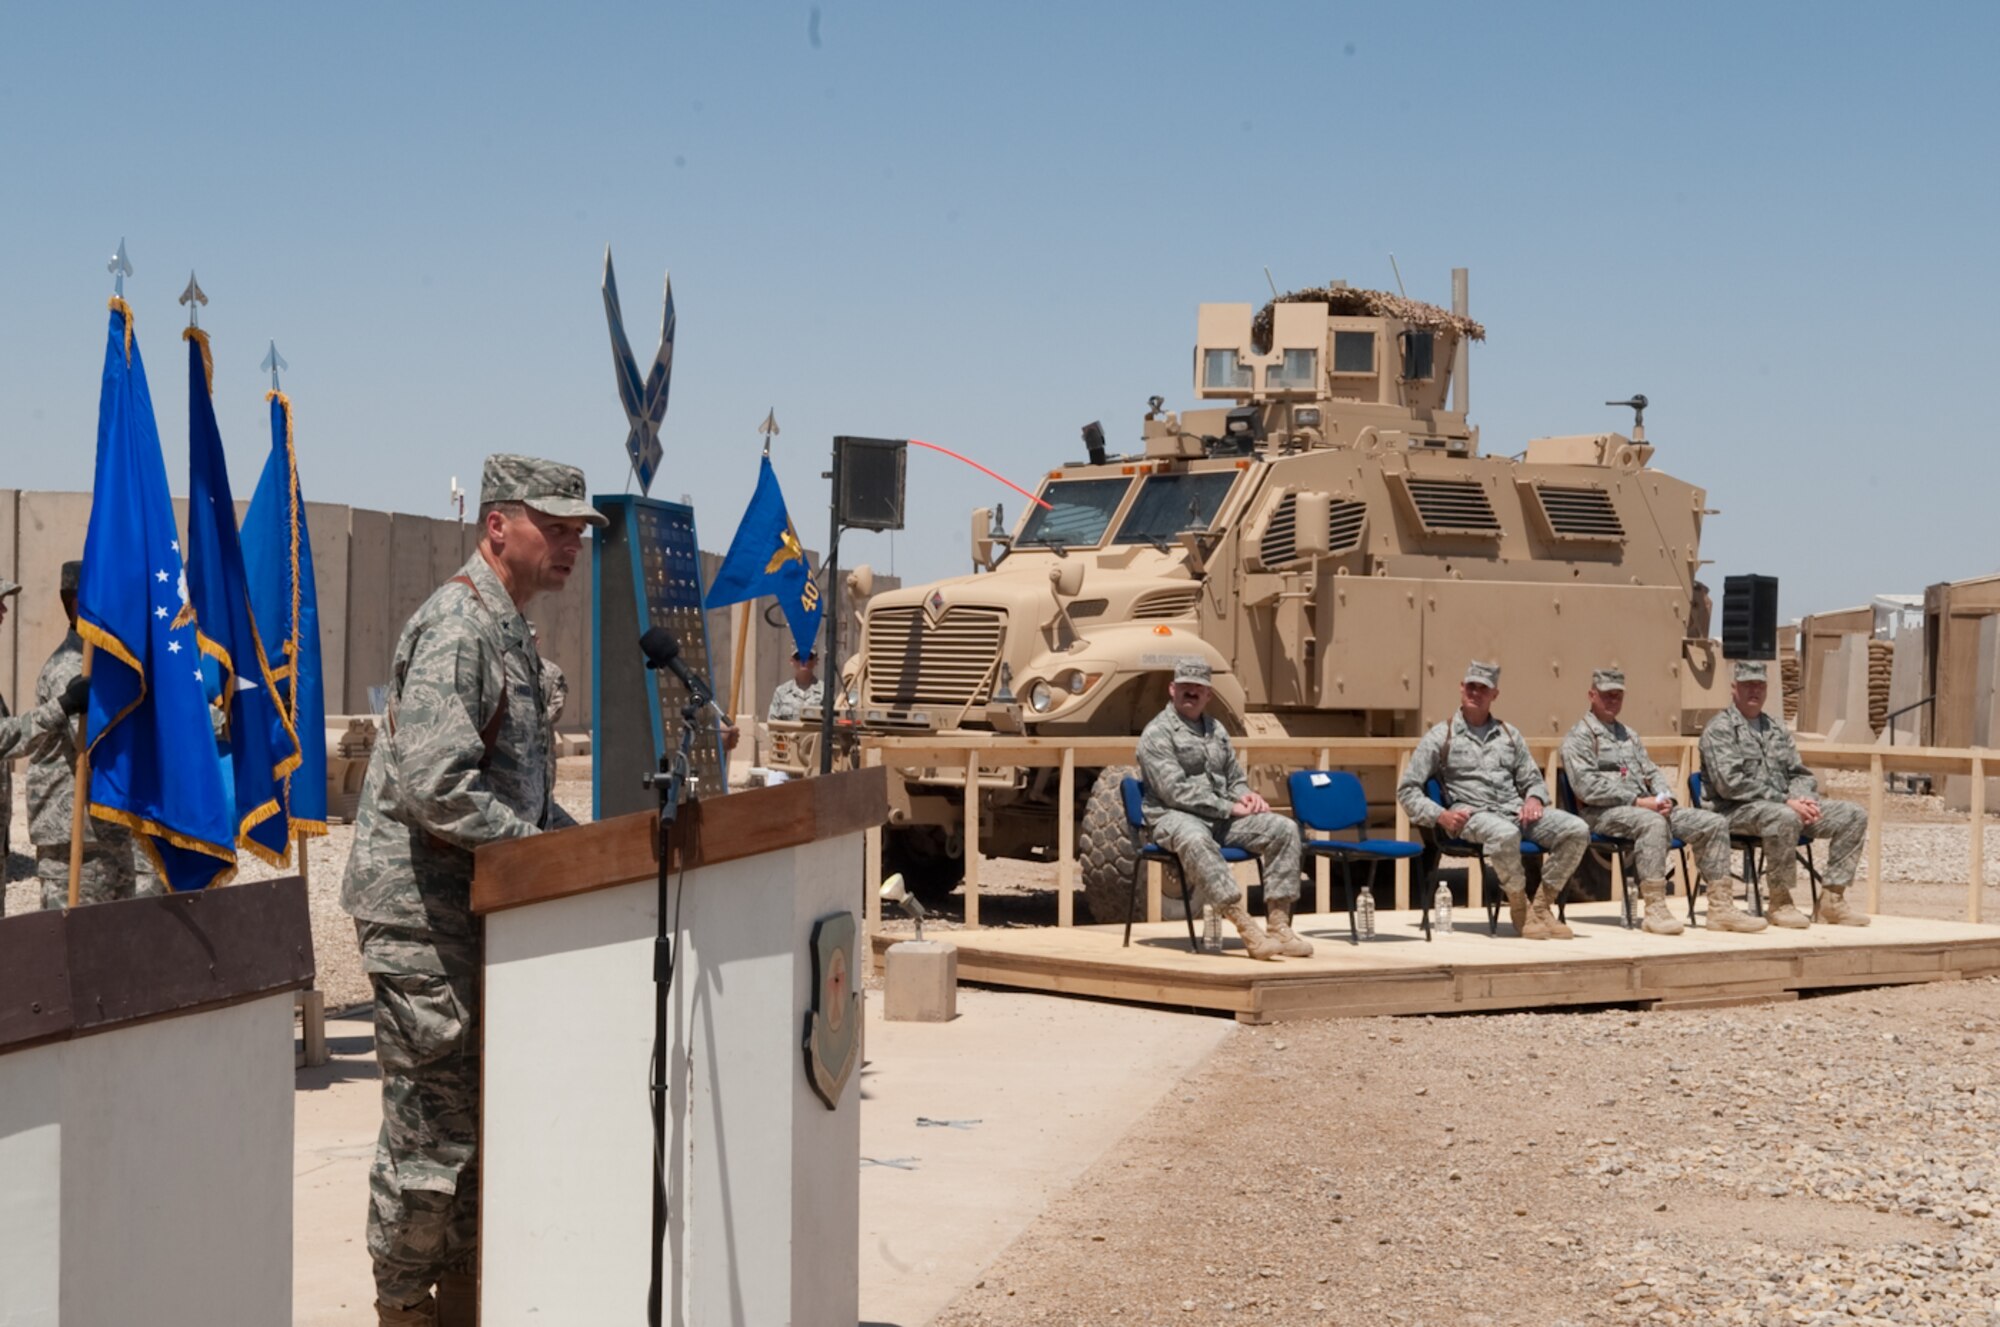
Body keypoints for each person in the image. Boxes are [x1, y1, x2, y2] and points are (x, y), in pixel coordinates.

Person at [341, 455, 602, 1326]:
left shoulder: (508, 628)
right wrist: (540, 855)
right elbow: (436, 785)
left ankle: (460, 1305)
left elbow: (514, 790)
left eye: (578, 533)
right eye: (555, 527)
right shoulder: (461, 626)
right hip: (425, 924)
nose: (571, 545)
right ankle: (404, 1311)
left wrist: (590, 847)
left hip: (475, 918)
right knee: (432, 1145)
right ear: (498, 525)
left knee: (479, 1141)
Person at [1398, 660, 1589, 939]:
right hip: (1472, 816)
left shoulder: (1509, 735)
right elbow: (1407, 789)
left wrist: (1534, 799)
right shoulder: (1442, 736)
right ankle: (1519, 907)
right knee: (1505, 833)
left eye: (1483, 689)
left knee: (1577, 830)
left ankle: (1542, 906)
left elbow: (1532, 779)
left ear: (1494, 694)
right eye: (1471, 687)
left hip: (1513, 810)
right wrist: (1441, 815)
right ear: (1462, 689)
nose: (1476, 693)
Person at [1561, 667, 1755, 935]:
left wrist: (1666, 798)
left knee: (1712, 823)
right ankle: (1654, 909)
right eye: (1606, 695)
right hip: (1602, 814)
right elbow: (1586, 787)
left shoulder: (1628, 735)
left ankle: (1721, 908)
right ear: (1592, 695)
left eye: (1617, 695)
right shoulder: (1579, 737)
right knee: (1651, 822)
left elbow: (1651, 771)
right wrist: (1639, 802)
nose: (1612, 700)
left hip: (1646, 808)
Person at [1135, 658, 1305, 960]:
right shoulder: (1157, 733)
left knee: (1284, 829)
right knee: (1196, 840)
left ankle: (1280, 927)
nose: (1191, 692)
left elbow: (1234, 778)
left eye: (1198, 688)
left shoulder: (1216, 729)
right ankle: (1247, 929)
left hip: (1220, 817)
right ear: (1172, 689)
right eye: (1185, 686)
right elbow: (1173, 791)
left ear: (1208, 695)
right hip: (1174, 817)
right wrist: (1228, 807)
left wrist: (1247, 797)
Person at [1699, 659, 1870, 928]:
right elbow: (1729, 784)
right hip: (1733, 812)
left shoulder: (1776, 728)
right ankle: (1780, 902)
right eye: (1747, 685)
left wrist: (1804, 800)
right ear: (1734, 688)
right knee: (1782, 817)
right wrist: (1787, 802)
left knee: (1853, 815)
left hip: (1785, 807)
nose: (1754, 691)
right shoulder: (1720, 729)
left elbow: (1799, 773)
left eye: (1759, 685)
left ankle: (1831, 901)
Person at [22, 561, 147, 911]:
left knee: (113, 951)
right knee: (71, 952)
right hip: (74, 841)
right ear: (79, 605)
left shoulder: (105, 666)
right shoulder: (71, 669)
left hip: (106, 833)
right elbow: (107, 735)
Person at [767, 647, 824, 722]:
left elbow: (834, 723)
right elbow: (772, 723)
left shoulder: (825, 692)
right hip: (786, 734)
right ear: (791, 661)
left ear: (816, 661)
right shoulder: (781, 692)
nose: (803, 661)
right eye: (798, 657)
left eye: (808, 657)